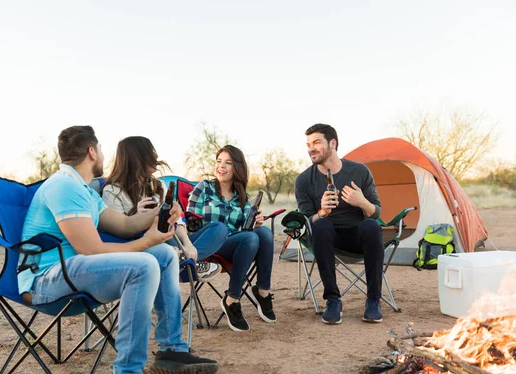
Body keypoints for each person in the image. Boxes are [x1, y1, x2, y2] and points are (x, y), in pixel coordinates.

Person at [18, 126, 218, 374]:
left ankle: (172, 350)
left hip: (74, 269)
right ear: (92, 151)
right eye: (100, 149)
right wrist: (146, 242)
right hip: (46, 278)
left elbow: (124, 224)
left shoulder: (84, 191)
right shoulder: (63, 186)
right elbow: (91, 249)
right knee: (144, 264)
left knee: (165, 254)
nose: (103, 155)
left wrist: (160, 213)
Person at [101, 136, 228, 281]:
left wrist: (187, 244)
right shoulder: (113, 191)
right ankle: (186, 266)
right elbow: (118, 230)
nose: (156, 156)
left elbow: (177, 219)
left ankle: (184, 263)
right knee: (159, 229)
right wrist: (137, 216)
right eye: (151, 152)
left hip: (173, 241)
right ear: (138, 158)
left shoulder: (159, 186)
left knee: (219, 229)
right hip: (145, 245)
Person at [294, 123, 384, 325]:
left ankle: (373, 301)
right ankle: (333, 300)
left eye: (316, 142)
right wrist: (321, 212)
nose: (311, 148)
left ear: (332, 143)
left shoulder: (360, 172)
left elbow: (376, 211)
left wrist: (362, 202)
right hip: (326, 240)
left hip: (357, 237)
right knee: (320, 225)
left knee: (371, 226)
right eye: (308, 144)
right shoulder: (303, 180)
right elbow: (305, 222)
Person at [187, 145, 277, 332]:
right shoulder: (204, 187)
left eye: (228, 163)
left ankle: (262, 291)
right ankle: (233, 299)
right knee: (249, 238)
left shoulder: (241, 196)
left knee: (264, 234)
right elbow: (189, 221)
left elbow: (246, 228)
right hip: (207, 242)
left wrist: (256, 222)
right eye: (219, 161)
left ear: (237, 167)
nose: (221, 166)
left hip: (230, 243)